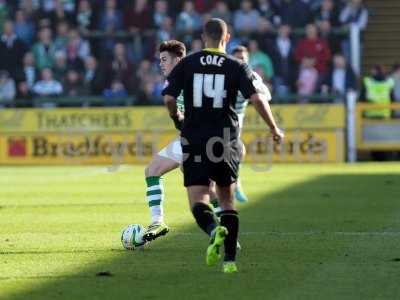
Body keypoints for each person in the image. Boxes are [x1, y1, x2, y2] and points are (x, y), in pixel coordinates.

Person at [162, 18, 283, 273]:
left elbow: (170, 98)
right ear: (227, 38)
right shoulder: (237, 66)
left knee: (199, 200)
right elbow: (257, 98)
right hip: (225, 139)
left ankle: (213, 229)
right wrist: (273, 128)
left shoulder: (188, 63)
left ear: (203, 36)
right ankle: (229, 262)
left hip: (194, 138)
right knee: (227, 200)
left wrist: (177, 118)